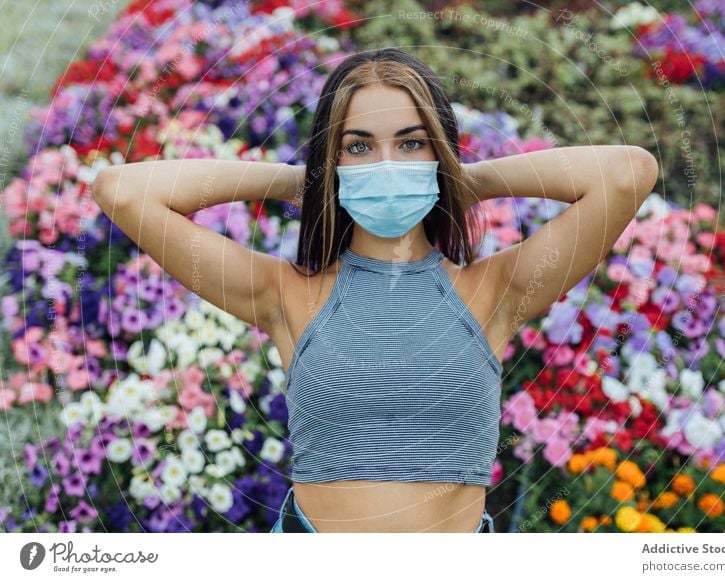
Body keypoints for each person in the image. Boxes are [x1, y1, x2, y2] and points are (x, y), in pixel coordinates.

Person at [93, 47, 658, 533]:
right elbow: (121, 191)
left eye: (411, 144)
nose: (386, 165)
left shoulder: (496, 291)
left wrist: (463, 179)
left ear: (438, 152)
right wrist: (300, 181)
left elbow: (628, 173)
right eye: (358, 147)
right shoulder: (282, 294)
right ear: (331, 159)